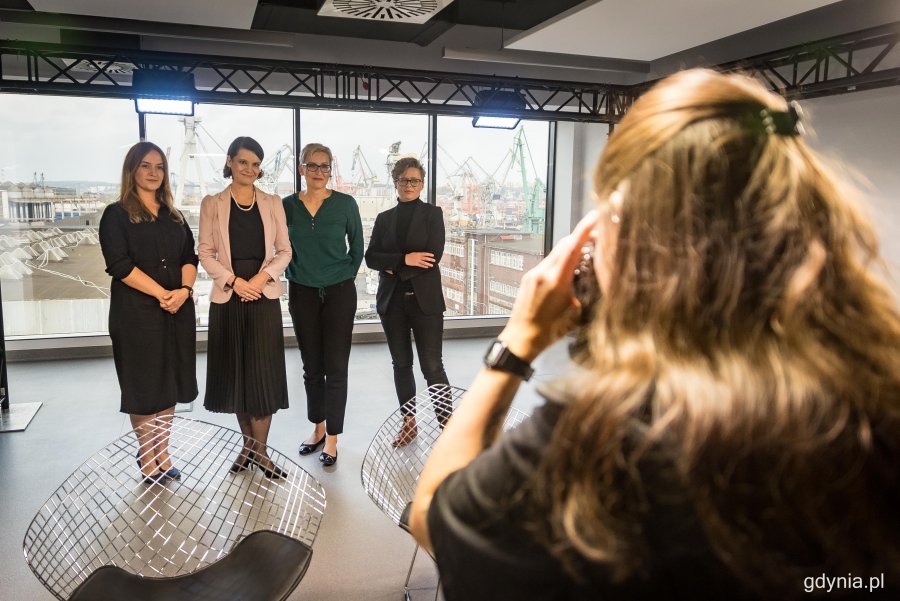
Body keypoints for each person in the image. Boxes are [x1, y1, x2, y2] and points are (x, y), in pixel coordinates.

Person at [409, 69, 900, 600]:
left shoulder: (602, 445)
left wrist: (519, 341)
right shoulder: (878, 394)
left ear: (628, 228)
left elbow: (436, 517)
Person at [99, 141, 198, 485]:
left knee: (169, 383)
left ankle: (163, 451)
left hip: (177, 311)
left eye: (159, 167)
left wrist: (183, 292)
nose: (153, 173)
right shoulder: (116, 214)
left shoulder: (174, 214)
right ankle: (146, 452)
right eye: (146, 166)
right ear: (132, 170)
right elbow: (119, 264)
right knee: (144, 385)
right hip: (137, 315)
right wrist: (162, 294)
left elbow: (190, 256)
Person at [198, 136, 292, 479]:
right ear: (230, 162)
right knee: (237, 377)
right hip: (229, 297)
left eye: (255, 164)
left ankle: (260, 452)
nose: (249, 169)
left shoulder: (272, 202)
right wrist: (235, 282)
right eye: (243, 162)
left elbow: (285, 251)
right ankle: (248, 447)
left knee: (262, 378)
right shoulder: (213, 203)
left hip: (262, 296)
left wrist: (259, 279)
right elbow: (205, 252)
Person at [284, 143, 363, 466]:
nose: (319, 172)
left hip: (339, 292)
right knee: (311, 367)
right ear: (302, 169)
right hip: (301, 291)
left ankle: (333, 438)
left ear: (331, 170)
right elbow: (278, 245)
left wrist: (343, 275)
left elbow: (357, 246)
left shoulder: (345, 204)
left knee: (336, 367)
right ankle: (317, 428)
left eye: (324, 166)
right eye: (312, 166)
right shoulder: (287, 206)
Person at [365, 157, 451, 447]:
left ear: (422, 183)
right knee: (401, 364)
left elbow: (432, 256)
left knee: (432, 365)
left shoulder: (432, 214)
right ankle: (409, 423)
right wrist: (405, 259)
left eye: (415, 180)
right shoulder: (384, 219)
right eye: (404, 180)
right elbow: (371, 258)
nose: (409, 185)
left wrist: (394, 267)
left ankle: (447, 427)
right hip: (392, 304)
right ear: (395, 182)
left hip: (425, 302)